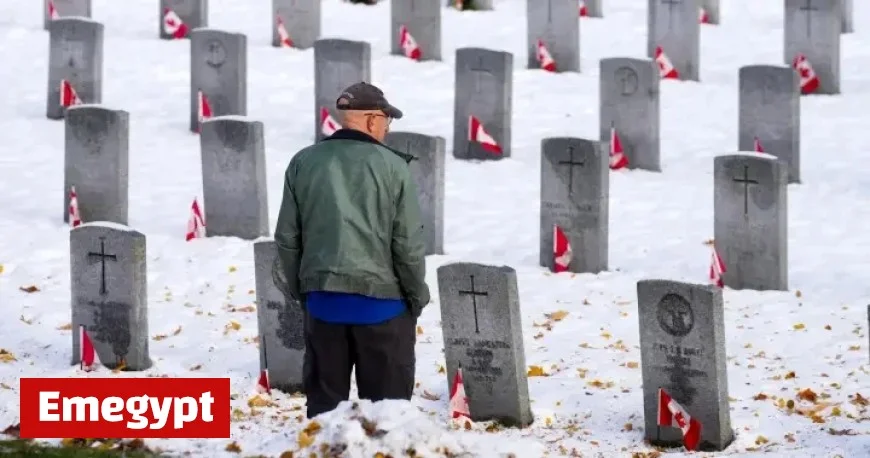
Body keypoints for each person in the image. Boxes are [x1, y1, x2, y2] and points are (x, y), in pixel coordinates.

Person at [274, 82, 431, 418]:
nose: (387, 130)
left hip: (322, 304)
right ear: (373, 120)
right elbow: (407, 244)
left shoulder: (303, 161)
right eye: (387, 122)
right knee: (387, 416)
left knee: (325, 415)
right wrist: (416, 296)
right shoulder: (392, 167)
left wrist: (306, 292)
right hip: (383, 308)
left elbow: (287, 238)